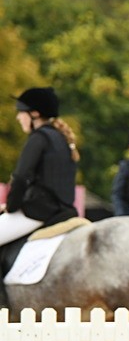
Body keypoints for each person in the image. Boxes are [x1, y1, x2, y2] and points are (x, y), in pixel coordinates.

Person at [3, 87, 80, 246]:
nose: (18, 117)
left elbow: (21, 178)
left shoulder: (38, 138)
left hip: (38, 212)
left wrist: (11, 207)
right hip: (64, 211)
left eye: (21, 112)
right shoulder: (62, 138)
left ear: (35, 114)